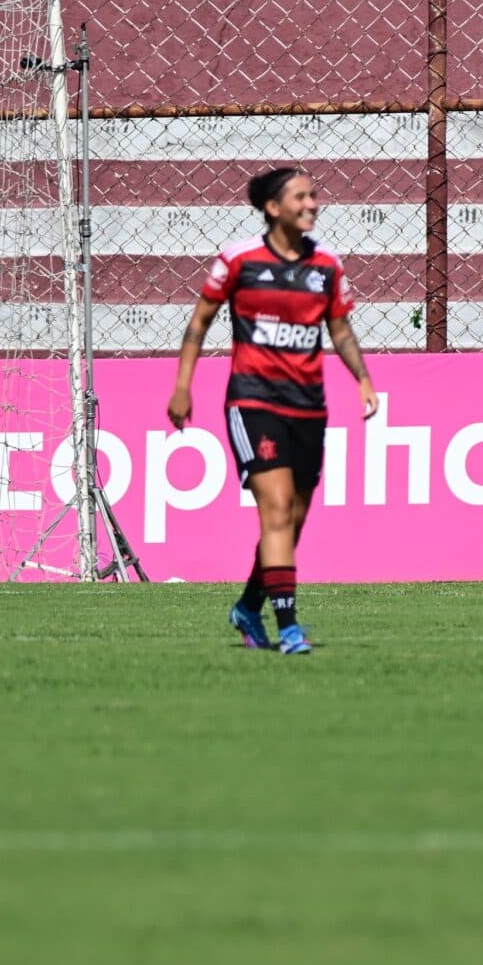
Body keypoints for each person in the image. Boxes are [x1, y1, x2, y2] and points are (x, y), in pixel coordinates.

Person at [168, 166, 378, 656]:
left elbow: (340, 330)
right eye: (302, 197)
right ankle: (288, 627)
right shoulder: (238, 261)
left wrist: (363, 379)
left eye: (314, 195)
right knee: (277, 511)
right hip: (253, 401)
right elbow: (200, 321)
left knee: (295, 520)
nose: (313, 204)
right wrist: (183, 386)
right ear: (273, 208)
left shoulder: (326, 264)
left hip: (309, 407)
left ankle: (247, 605)